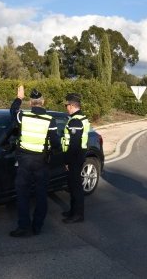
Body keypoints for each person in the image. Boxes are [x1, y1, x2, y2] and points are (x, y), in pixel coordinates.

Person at [9, 86, 61, 237]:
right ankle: (37, 227)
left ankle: (23, 227)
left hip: (24, 162)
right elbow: (56, 143)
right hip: (41, 162)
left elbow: (13, 112)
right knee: (41, 195)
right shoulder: (50, 120)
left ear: (30, 103)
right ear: (43, 102)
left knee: (22, 195)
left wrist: (19, 97)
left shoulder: (23, 117)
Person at [61, 93, 90, 224]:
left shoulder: (75, 120)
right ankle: (73, 211)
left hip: (75, 157)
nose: (66, 107)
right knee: (73, 186)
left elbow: (74, 143)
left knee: (76, 187)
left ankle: (78, 214)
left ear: (72, 105)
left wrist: (67, 161)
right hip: (78, 156)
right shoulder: (80, 118)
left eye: (67, 105)